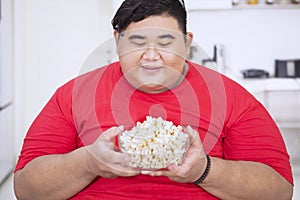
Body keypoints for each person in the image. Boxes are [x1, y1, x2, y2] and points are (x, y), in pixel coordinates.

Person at [14, 0, 293, 199]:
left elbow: (280, 191)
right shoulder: (72, 95)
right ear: (117, 41)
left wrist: (204, 170)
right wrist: (87, 162)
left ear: (187, 42)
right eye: (136, 42)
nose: (150, 55)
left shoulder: (232, 97)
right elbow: (26, 190)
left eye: (165, 42)